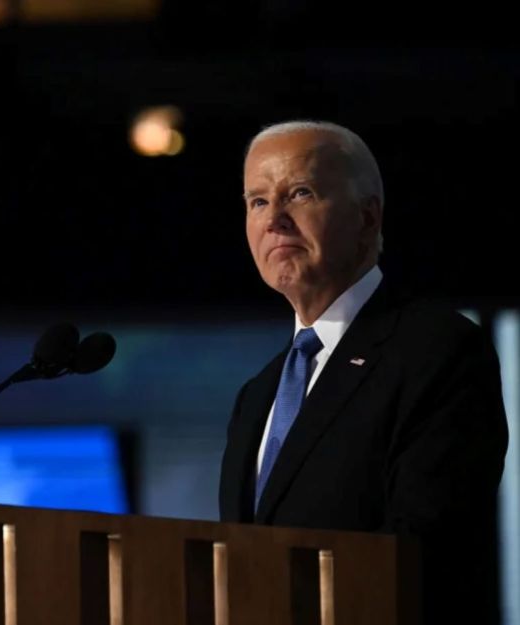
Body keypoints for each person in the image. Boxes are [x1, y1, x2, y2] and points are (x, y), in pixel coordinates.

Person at [218, 120, 508, 624]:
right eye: (258, 201)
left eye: (300, 193)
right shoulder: (257, 394)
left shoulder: (436, 350)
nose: (275, 221)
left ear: (368, 217)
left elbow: (425, 548)